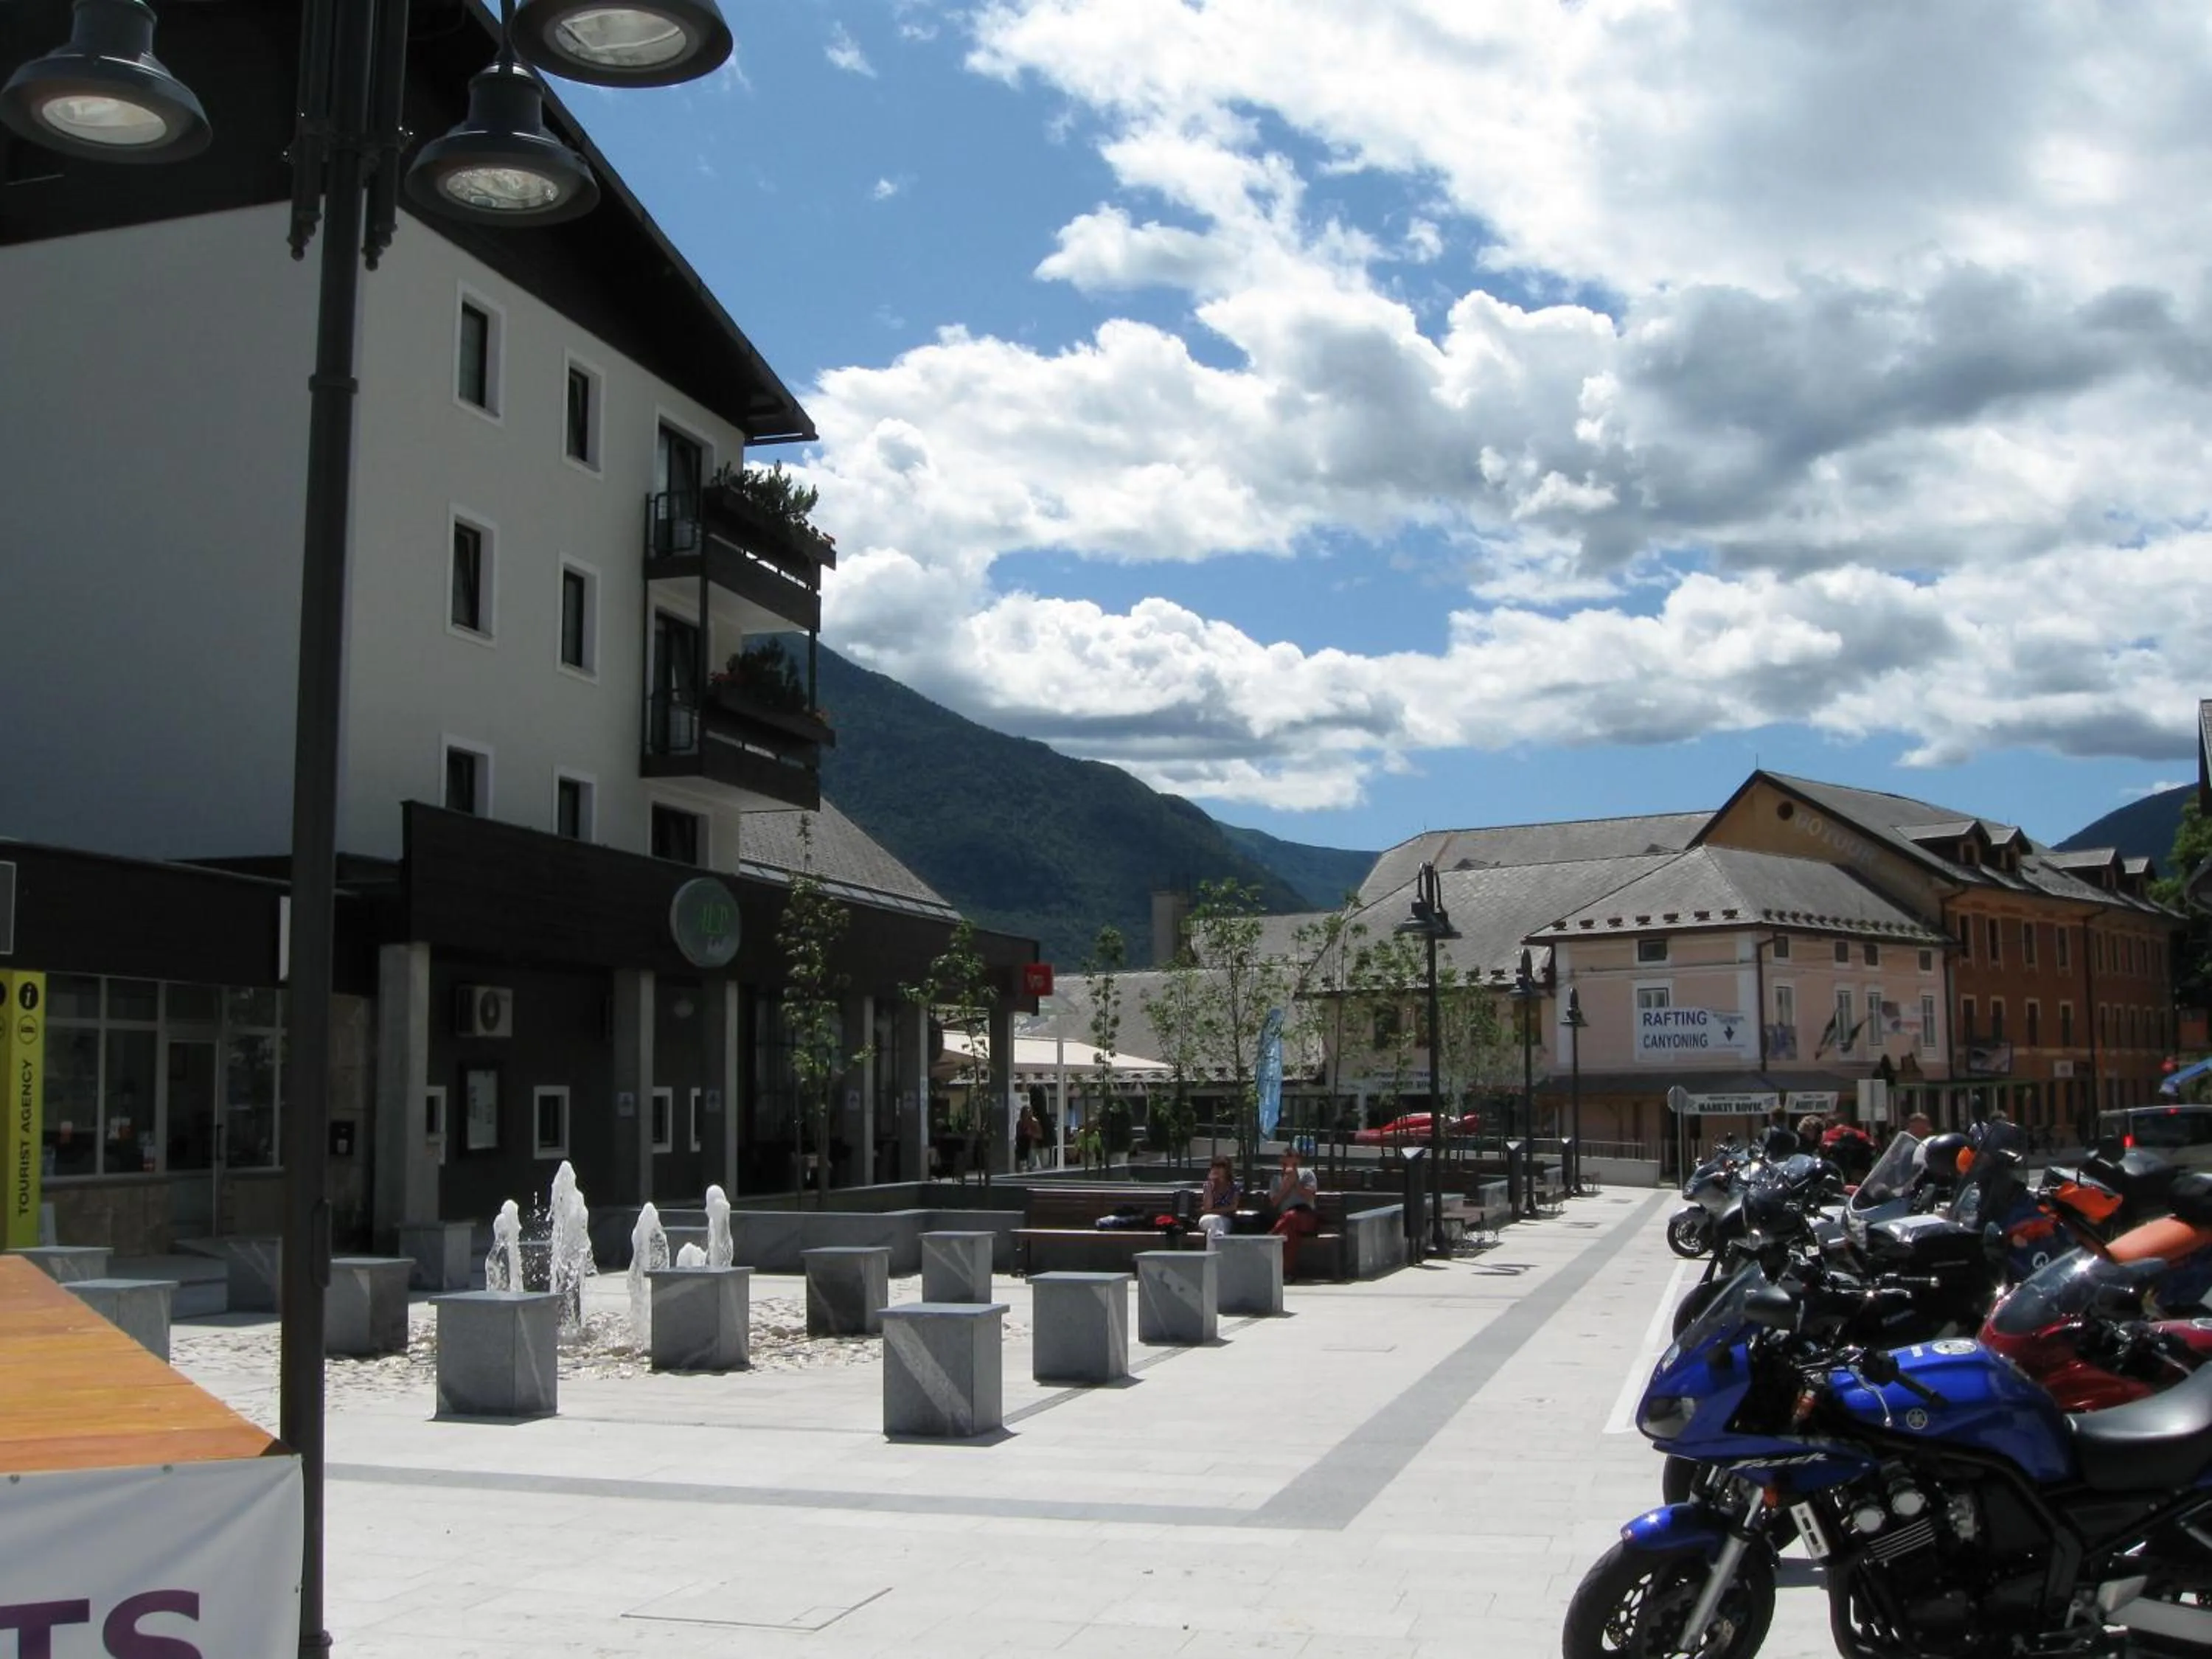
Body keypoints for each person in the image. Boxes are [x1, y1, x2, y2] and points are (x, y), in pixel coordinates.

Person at [1270, 1145, 1320, 1277]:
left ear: (1298, 1162)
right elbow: (1274, 1202)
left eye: (1293, 1163)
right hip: (1287, 1220)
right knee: (1289, 1233)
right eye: (1285, 1163)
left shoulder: (1307, 1174)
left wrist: (1296, 1183)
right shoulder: (1276, 1179)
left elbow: (1310, 1196)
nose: (1289, 1166)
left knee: (1291, 1217)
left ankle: (1269, 1237)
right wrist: (1286, 1187)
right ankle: (1287, 1273)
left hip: (1305, 1215)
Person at [1192, 1155, 1239, 1250]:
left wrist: (1212, 1211)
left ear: (1227, 1170)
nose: (1217, 1170)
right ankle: (1219, 1247)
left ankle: (1211, 1260)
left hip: (1225, 1221)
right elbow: (1208, 1207)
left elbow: (1233, 1208)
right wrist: (1210, 1186)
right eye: (1215, 1167)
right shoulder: (1208, 1186)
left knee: (1212, 1232)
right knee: (1214, 1222)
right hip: (1207, 1220)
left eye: (1220, 1167)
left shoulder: (1234, 1187)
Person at [1015, 1105, 1040, 1172]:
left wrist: (1031, 1134)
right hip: (1021, 1147)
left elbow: (1039, 1135)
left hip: (1030, 1147)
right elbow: (1018, 1135)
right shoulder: (1020, 1123)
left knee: (1031, 1166)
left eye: (1029, 1112)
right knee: (1021, 1166)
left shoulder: (1034, 1122)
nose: (1027, 1114)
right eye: (1025, 1113)